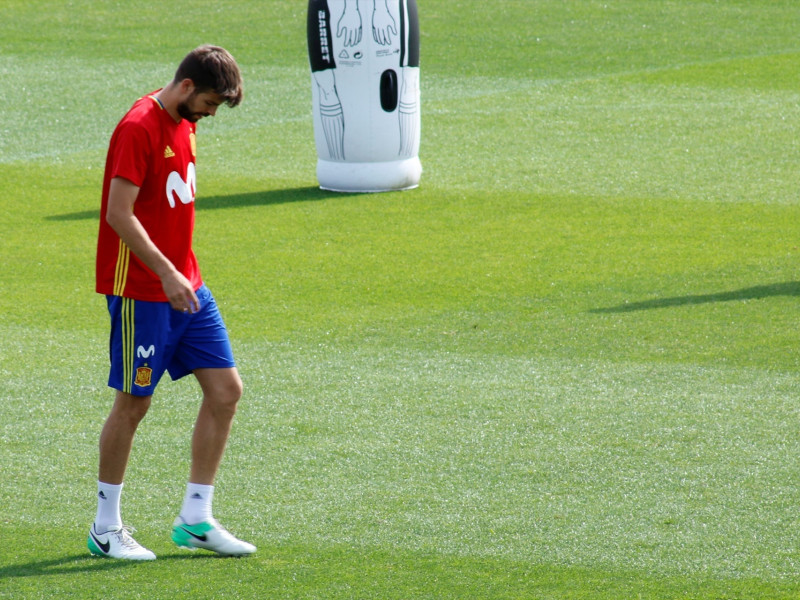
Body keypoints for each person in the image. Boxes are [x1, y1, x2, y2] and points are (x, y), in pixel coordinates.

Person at [89, 45, 255, 560]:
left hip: (187, 286)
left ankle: (195, 518)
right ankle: (104, 527)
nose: (210, 114)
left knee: (226, 391)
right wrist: (164, 273)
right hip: (145, 291)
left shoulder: (186, 123)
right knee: (134, 404)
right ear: (186, 87)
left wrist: (180, 275)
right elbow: (119, 213)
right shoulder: (139, 127)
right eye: (208, 103)